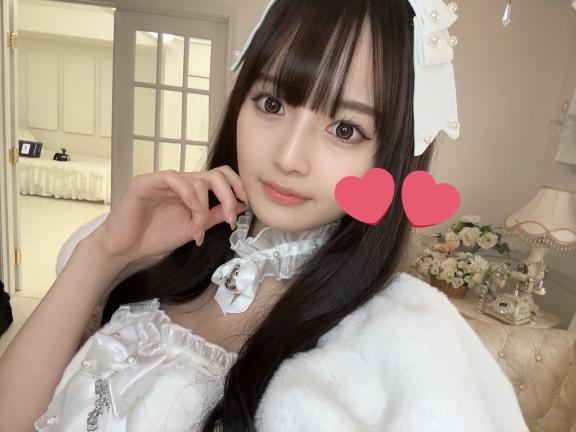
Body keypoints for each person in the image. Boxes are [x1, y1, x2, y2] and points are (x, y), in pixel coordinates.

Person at [0, 0, 529, 431]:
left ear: (388, 156)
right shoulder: (159, 249)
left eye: (345, 129)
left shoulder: (393, 341)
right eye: (272, 103)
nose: (288, 157)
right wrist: (104, 253)